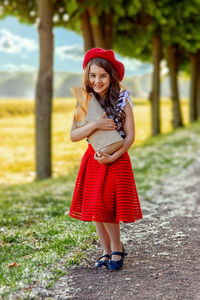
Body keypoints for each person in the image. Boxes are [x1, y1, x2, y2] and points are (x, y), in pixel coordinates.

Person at [69, 48, 143, 271]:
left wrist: (114, 156)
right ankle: (105, 250)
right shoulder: (84, 102)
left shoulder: (122, 100)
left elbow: (130, 136)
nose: (97, 80)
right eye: (92, 75)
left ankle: (117, 247)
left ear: (111, 76)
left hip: (116, 159)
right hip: (93, 159)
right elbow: (73, 135)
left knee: (108, 206)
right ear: (87, 77)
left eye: (102, 75)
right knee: (94, 207)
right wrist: (95, 125)